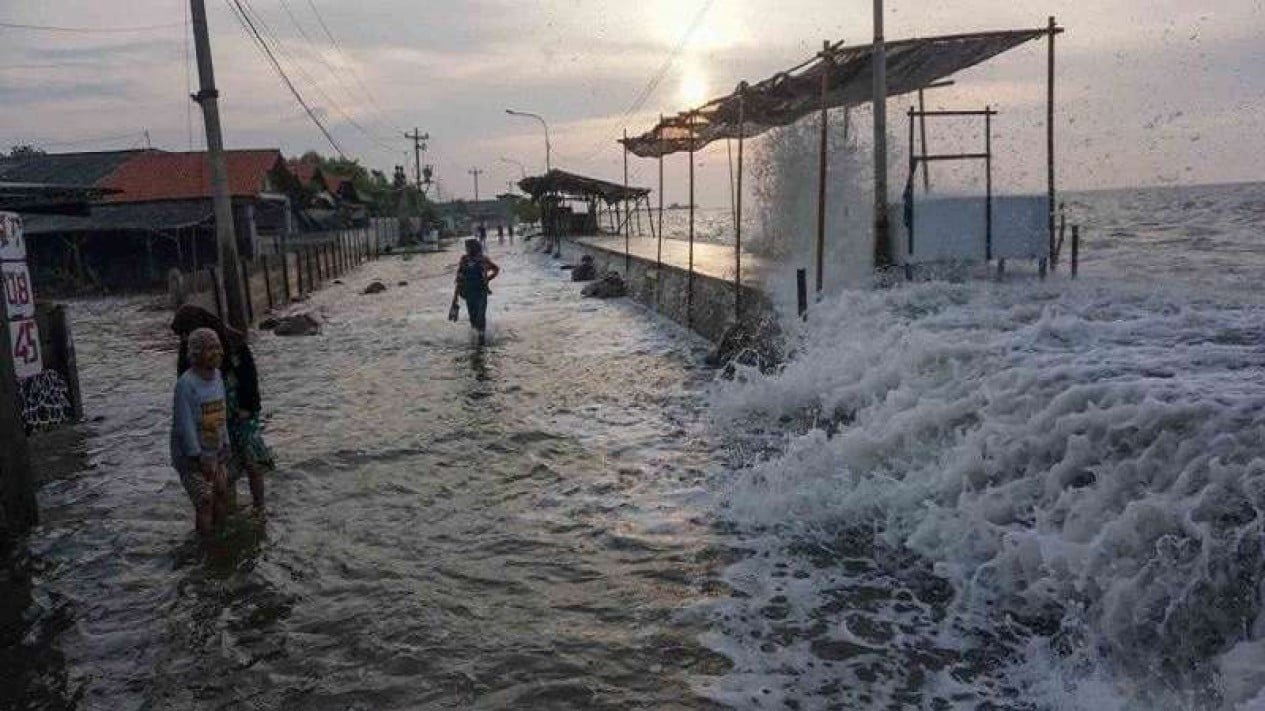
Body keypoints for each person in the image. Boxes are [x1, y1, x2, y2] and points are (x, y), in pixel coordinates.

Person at [172, 305, 273, 513]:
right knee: (224, 467)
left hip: (240, 409)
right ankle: (229, 511)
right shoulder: (189, 349)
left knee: (252, 460)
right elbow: (184, 390)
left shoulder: (233, 343)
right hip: (213, 416)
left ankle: (259, 509)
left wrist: (249, 406)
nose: (182, 339)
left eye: (184, 333)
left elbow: (249, 377)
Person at [170, 328, 230, 537]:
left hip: (215, 448)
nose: (217, 352)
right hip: (190, 456)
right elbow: (184, 425)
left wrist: (226, 442)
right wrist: (197, 455)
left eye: (218, 347)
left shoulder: (218, 377)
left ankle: (221, 536)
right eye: (211, 348)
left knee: (222, 492)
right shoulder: (186, 385)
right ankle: (206, 545)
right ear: (196, 353)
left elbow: (222, 411)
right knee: (205, 501)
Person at [452, 238, 500, 345]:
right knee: (473, 318)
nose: (467, 249)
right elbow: (459, 279)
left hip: (481, 292)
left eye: (468, 247)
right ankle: (476, 340)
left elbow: (496, 269)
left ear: (475, 247)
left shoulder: (483, 259)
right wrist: (455, 299)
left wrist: (488, 279)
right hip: (469, 293)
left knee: (480, 316)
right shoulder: (464, 260)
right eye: (466, 247)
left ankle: (481, 339)